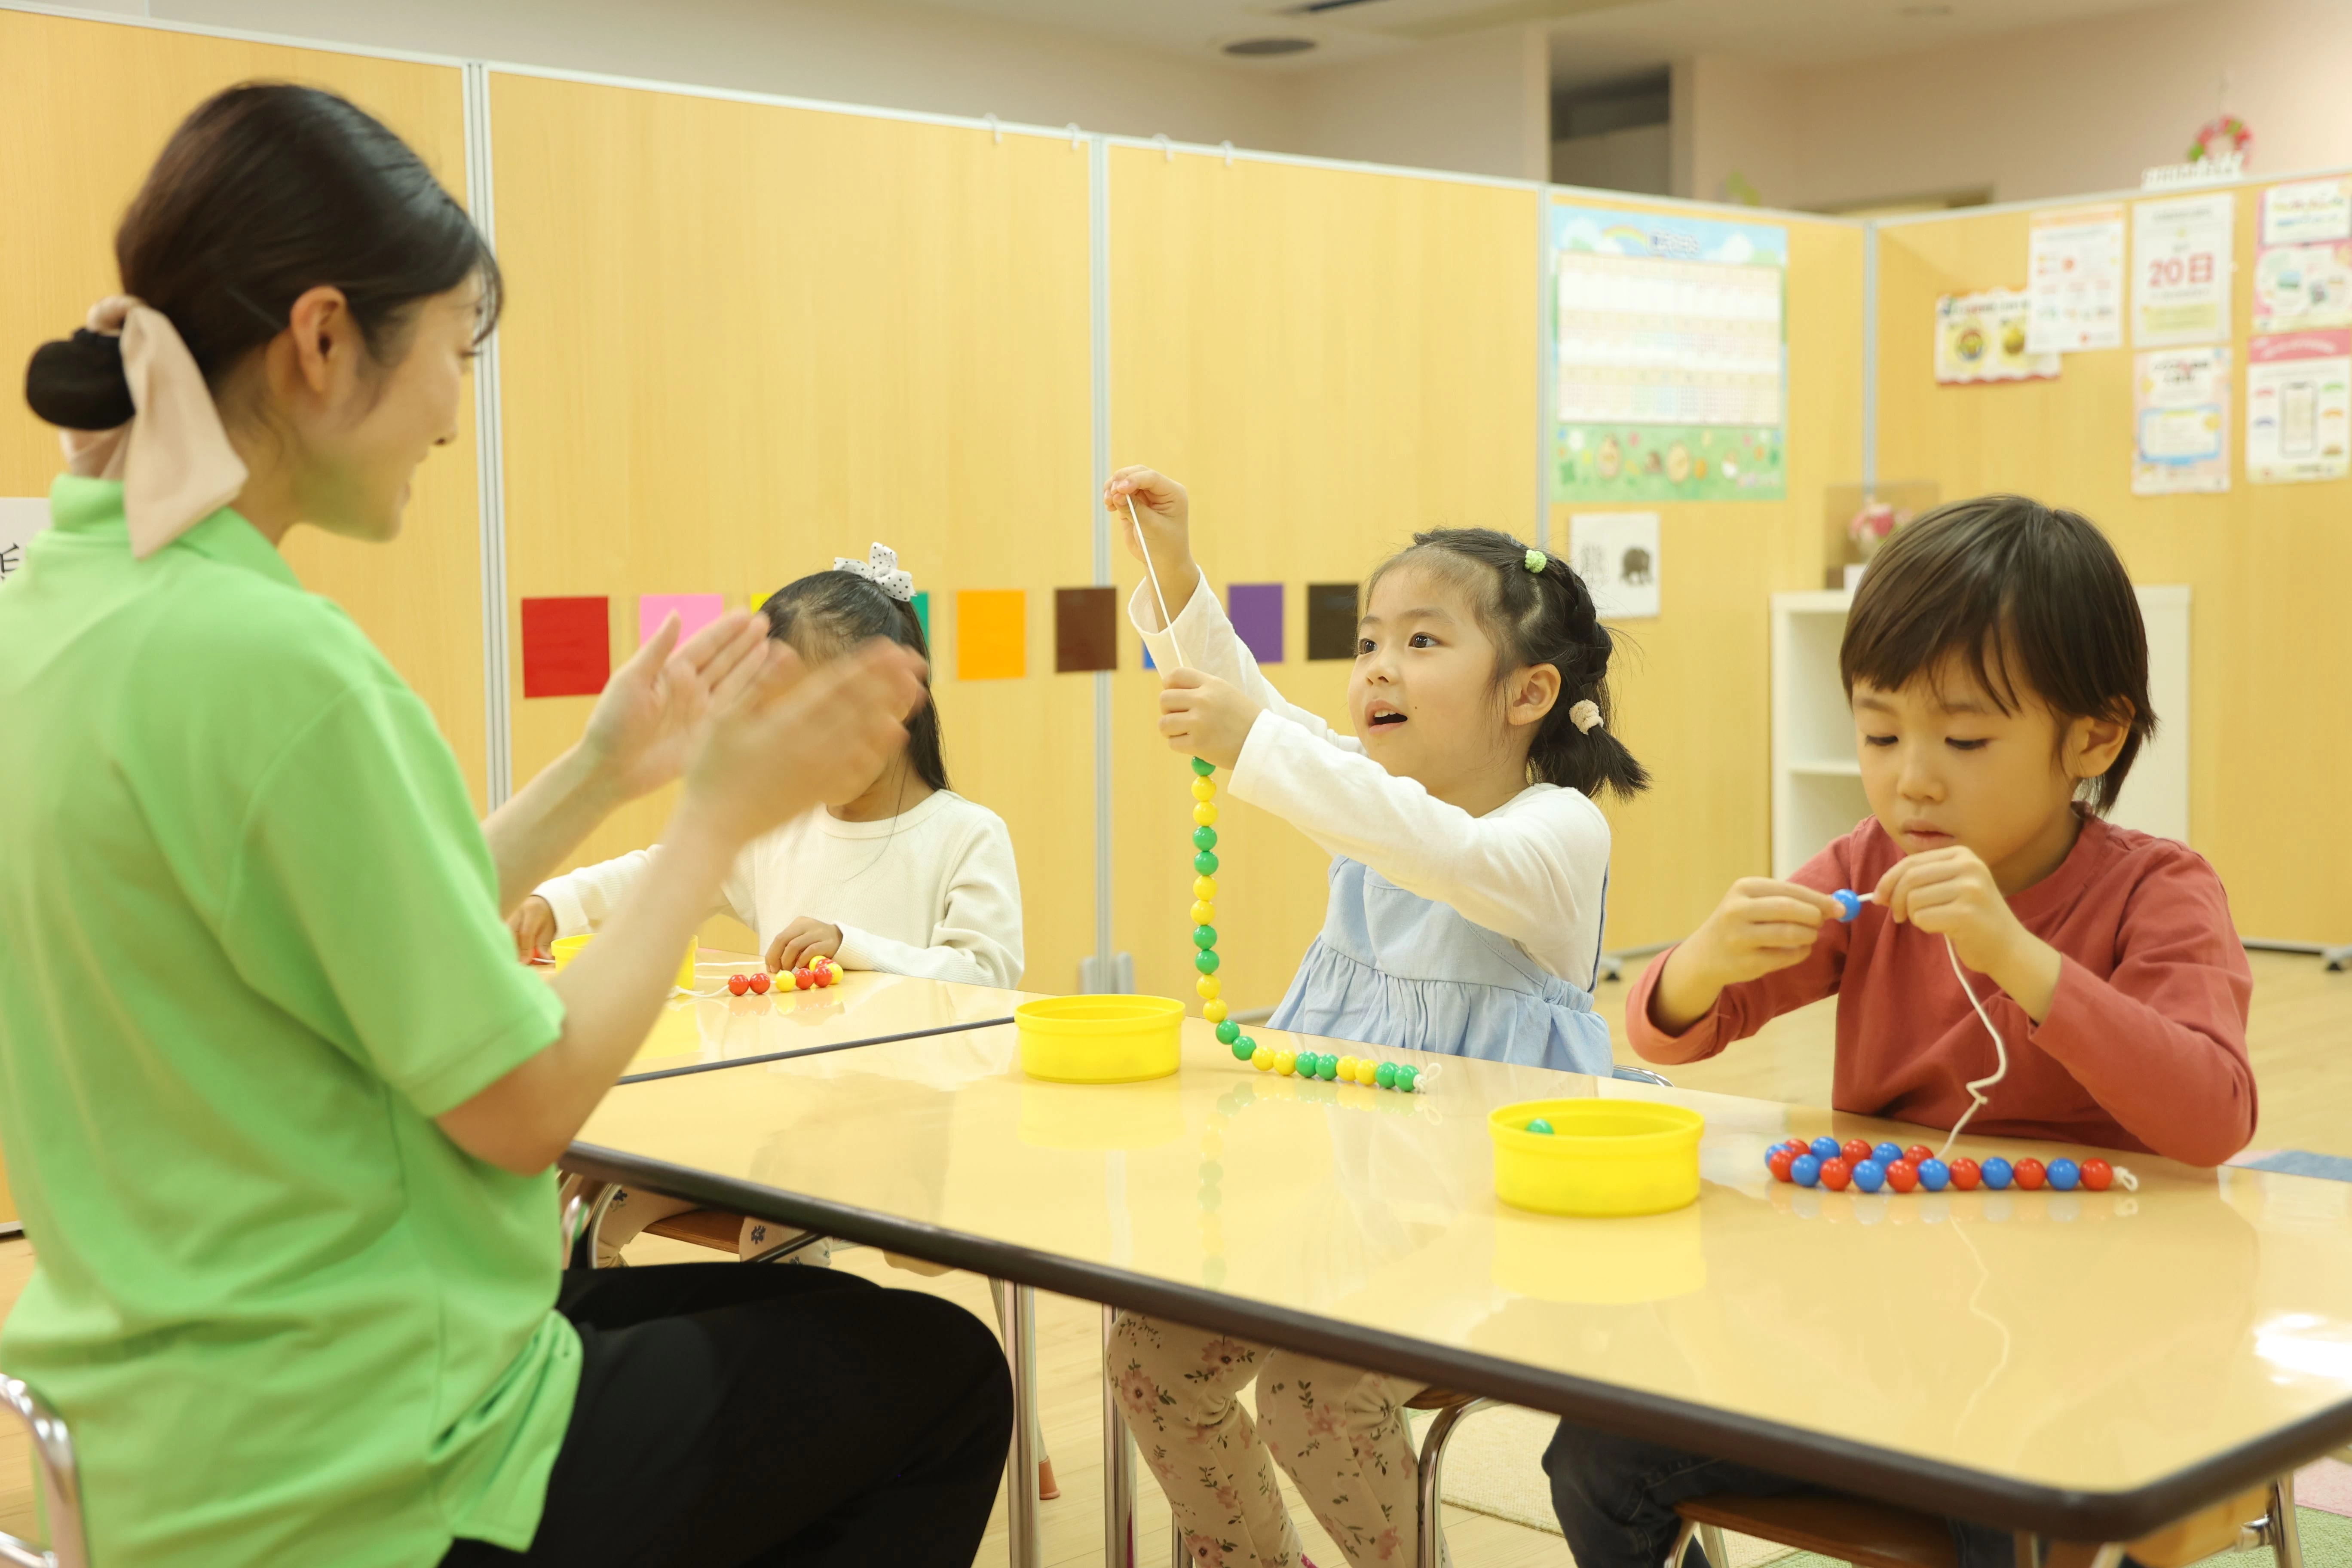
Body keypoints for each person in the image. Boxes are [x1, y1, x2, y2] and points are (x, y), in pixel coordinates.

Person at [0, 83, 1007, 1568]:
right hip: (366, 1458)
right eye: (452, 354)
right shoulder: (283, 666)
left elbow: (356, 926)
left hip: (149, 1417)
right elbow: (527, 1104)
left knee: (831, 1322)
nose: (454, 418)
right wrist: (709, 821)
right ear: (326, 338)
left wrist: (604, 768)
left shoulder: (54, 614)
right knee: (940, 1380)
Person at [1543, 494, 2256, 1568]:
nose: (1908, 775)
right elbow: (1665, 1031)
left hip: (2067, 1348)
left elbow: (2210, 1115)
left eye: (1962, 737)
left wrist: (2018, 958)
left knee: (2009, 1503)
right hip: (1872, 1324)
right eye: (1876, 733)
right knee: (1598, 1451)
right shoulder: (1866, 870)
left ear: (2093, 736)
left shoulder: (2156, 893)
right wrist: (1699, 964)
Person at [1100, 465, 1648, 1567]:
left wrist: (1256, 745)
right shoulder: (1370, 794)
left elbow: (1431, 847)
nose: (1377, 669)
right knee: (1149, 1355)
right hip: (1340, 1197)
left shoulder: (1551, 833)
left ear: (1527, 694)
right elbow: (1270, 719)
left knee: (1313, 1390)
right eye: (1366, 644)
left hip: (1488, 1221)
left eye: (1421, 643)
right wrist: (1169, 573)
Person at [509, 550, 1023, 989]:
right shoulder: (778, 834)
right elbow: (661, 874)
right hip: (794, 1096)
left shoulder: (968, 836)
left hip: (914, 1102)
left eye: (812, 716)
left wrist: (853, 947)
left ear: (896, 701)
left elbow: (986, 977)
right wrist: (554, 904)